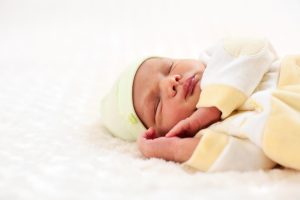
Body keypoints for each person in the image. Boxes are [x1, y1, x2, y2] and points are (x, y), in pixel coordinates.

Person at [101, 37, 300, 172]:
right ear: (162, 133)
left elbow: (255, 46)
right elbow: (253, 158)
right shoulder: (213, 134)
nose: (171, 81)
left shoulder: (218, 62)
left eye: (169, 67)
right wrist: (174, 149)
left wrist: (210, 108)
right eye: (157, 104)